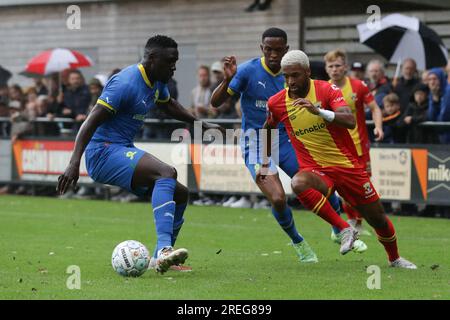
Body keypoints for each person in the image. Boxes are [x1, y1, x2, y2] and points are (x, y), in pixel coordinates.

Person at [56, 35, 222, 274]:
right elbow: (90, 122)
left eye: (176, 61)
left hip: (122, 148)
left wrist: (200, 123)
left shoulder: (157, 80)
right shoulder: (125, 83)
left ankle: (161, 258)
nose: (174, 66)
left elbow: (168, 104)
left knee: (181, 193)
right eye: (170, 61)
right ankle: (164, 249)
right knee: (166, 173)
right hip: (102, 152)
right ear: (152, 59)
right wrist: (74, 163)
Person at [211, 27, 365, 263]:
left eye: (278, 50)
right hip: (257, 142)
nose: (273, 54)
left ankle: (338, 230)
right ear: (261, 48)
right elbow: (215, 103)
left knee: (323, 187)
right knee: (278, 198)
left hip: (288, 140)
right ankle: (298, 242)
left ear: (286, 50)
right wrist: (227, 80)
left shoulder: (294, 74)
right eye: (268, 49)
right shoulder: (247, 71)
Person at [263, 50, 416, 268]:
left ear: (307, 72)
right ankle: (345, 229)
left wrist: (320, 112)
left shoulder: (327, 89)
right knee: (298, 182)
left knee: (377, 219)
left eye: (295, 75)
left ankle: (395, 258)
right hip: (316, 170)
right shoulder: (277, 102)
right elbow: (267, 128)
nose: (290, 82)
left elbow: (349, 120)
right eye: (285, 77)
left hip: (347, 166)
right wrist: (265, 159)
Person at [324, 49, 383, 239]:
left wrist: (378, 127)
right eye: (331, 66)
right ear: (326, 69)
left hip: (360, 147)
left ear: (345, 67)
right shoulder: (323, 89)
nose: (335, 69)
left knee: (365, 188)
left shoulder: (358, 86)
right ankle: (353, 221)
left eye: (338, 65)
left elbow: (375, 108)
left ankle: (359, 221)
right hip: (338, 150)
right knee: (345, 189)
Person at [427, 67, 450, 144]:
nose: (432, 82)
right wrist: (435, 100)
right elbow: (431, 117)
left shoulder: (448, 92)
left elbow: (444, 117)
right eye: (429, 79)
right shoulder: (432, 93)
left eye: (434, 79)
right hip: (442, 136)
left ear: (441, 79)